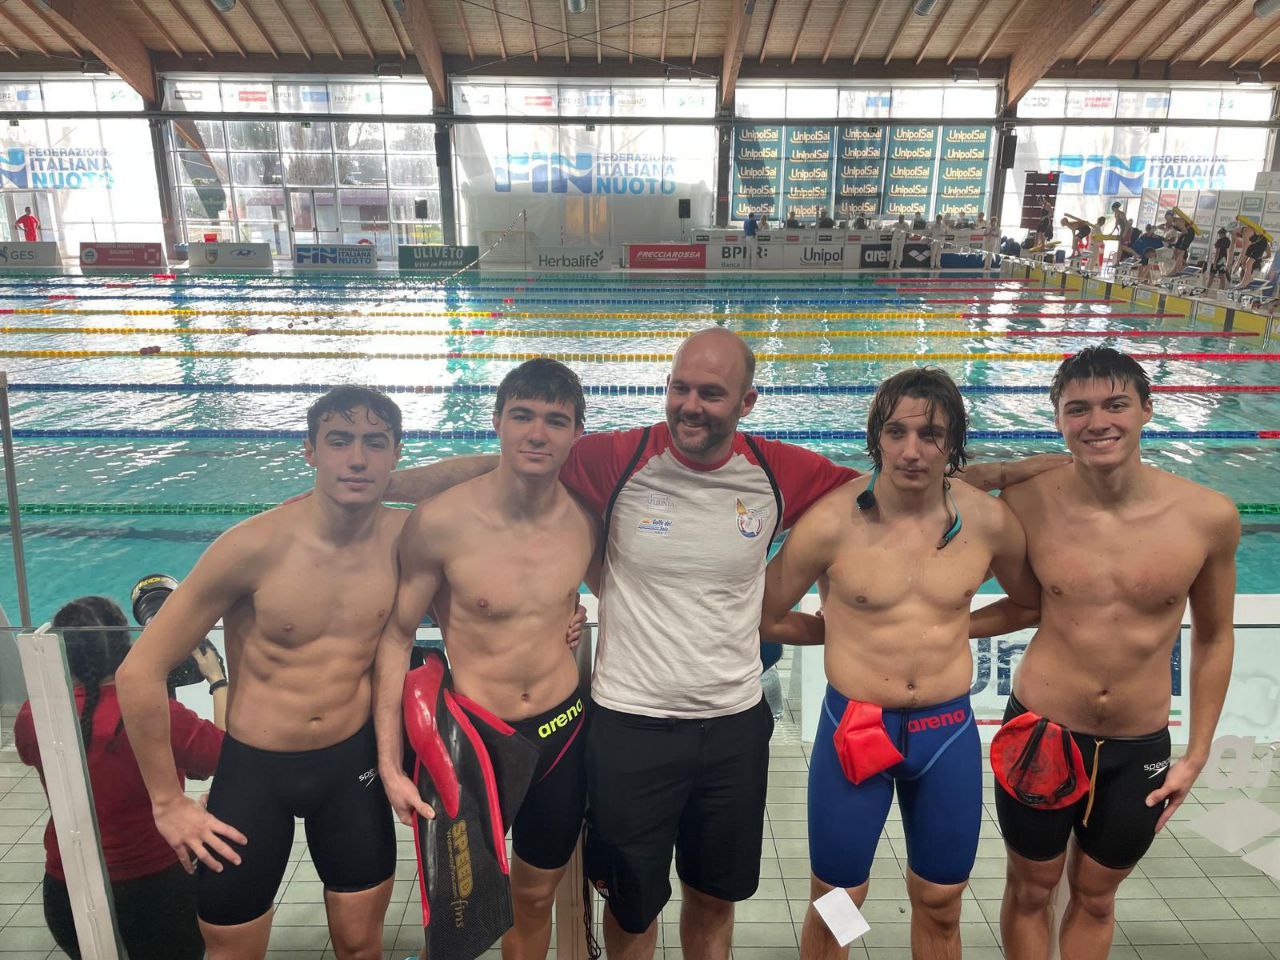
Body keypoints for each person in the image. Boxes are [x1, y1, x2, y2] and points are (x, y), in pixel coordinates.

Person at [383, 330, 1065, 960]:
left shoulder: (780, 470)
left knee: (717, 899)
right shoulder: (616, 459)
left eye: (712, 393)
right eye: (680, 387)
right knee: (634, 906)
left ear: (746, 402)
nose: (691, 405)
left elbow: (900, 480)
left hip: (734, 726)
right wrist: (370, 485)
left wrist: (1016, 469)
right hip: (631, 723)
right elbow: (508, 459)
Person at [116, 386, 411, 960]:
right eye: (339, 441)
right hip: (255, 773)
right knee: (231, 949)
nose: (357, 458)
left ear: (396, 454)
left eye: (375, 443)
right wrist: (168, 802)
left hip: (351, 768)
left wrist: (568, 614)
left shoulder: (406, 539)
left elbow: (491, 499)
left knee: (361, 945)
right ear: (310, 451)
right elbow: (139, 672)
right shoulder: (251, 547)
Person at [759, 368, 1040, 960]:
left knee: (941, 901)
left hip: (946, 733)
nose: (912, 450)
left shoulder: (987, 521)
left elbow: (1028, 603)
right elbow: (763, 614)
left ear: (953, 441)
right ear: (877, 439)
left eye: (931, 434)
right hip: (855, 729)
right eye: (896, 432)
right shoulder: (831, 522)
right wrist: (833, 630)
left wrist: (957, 625)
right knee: (838, 901)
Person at [972, 347, 1238, 960]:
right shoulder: (1028, 502)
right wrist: (1009, 469)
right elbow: (940, 498)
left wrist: (1197, 753)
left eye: (1116, 405)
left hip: (1138, 744)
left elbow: (1215, 636)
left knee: (1096, 897)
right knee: (1031, 889)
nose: (1098, 422)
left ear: (1147, 409)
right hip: (1041, 730)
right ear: (1058, 421)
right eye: (1078, 410)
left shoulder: (1207, 516)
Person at [373, 359, 598, 960]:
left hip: (561, 734)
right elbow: (395, 639)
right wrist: (390, 764)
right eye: (522, 416)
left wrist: (573, 613)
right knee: (459, 913)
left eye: (556, 421)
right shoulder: (440, 523)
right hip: (475, 744)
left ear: (577, 434)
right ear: (497, 421)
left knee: (535, 898)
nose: (537, 434)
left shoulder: (584, 519)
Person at [17, 596, 226, 960]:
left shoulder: (35, 715)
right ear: (125, 646)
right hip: (158, 887)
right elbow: (224, 755)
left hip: (69, 887)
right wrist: (217, 680)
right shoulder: (156, 713)